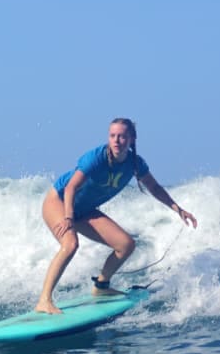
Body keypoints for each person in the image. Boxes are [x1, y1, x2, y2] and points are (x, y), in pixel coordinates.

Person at [35, 118, 197, 314]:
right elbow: (71, 187)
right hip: (59, 202)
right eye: (113, 136)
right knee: (70, 244)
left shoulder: (135, 164)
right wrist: (68, 217)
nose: (117, 140)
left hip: (84, 211)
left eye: (122, 136)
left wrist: (178, 209)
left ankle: (101, 287)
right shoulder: (96, 158)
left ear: (132, 139)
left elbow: (154, 187)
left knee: (126, 245)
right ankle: (44, 300)